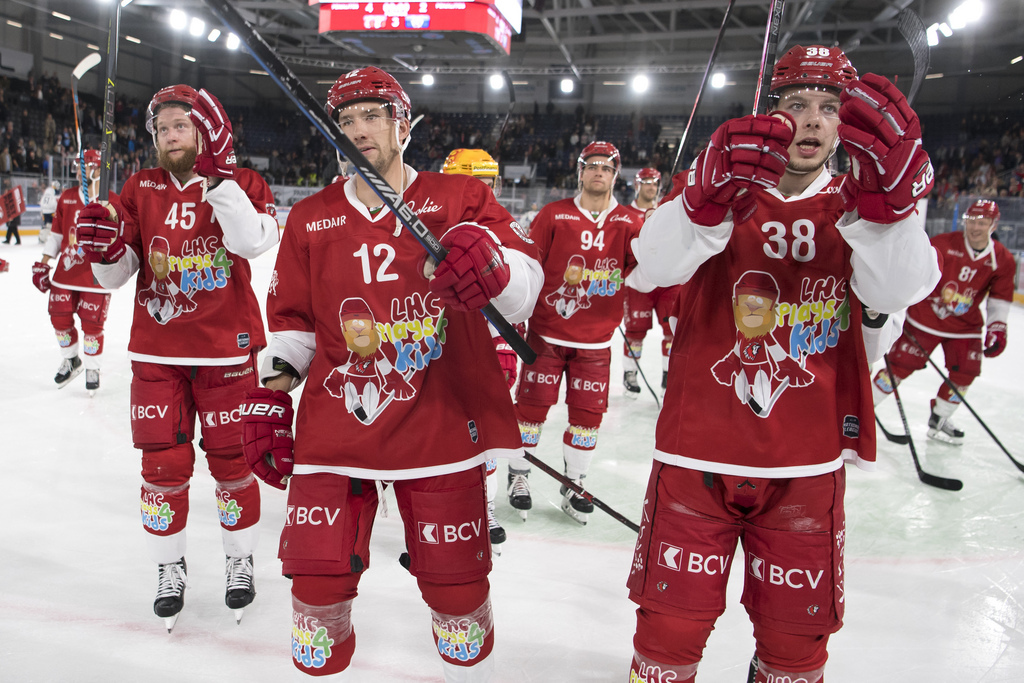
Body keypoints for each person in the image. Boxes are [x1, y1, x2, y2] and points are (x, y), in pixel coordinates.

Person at [625, 45, 940, 683]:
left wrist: (890, 216)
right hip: (697, 453)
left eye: (831, 107)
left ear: (847, 125)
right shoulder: (723, 188)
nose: (814, 121)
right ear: (772, 113)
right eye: (797, 104)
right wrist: (700, 203)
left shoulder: (863, 200)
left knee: (795, 648)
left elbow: (898, 294)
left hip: (807, 459)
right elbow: (649, 269)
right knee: (667, 636)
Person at [242, 67, 541, 680]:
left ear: (404, 124)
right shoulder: (310, 217)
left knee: (461, 617)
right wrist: (269, 397)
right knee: (315, 625)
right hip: (336, 427)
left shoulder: (459, 200)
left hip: (438, 424)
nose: (358, 131)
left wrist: (497, 269)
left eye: (371, 117)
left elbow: (525, 290)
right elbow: (294, 327)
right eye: (345, 122)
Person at [75, 84, 279, 631]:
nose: (169, 135)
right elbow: (119, 275)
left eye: (180, 125)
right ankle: (169, 567)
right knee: (161, 467)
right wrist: (105, 251)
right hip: (157, 352)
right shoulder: (139, 188)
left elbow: (253, 242)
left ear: (204, 130)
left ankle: (239, 560)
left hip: (225, 351)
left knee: (234, 464)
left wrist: (221, 179)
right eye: (162, 128)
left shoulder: (243, 182)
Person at [508, 141, 645, 525]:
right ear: (580, 171)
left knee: (587, 419)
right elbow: (531, 268)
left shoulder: (632, 222)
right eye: (592, 165)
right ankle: (519, 476)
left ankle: (574, 482)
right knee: (530, 413)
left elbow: (640, 271)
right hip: (547, 335)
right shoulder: (553, 215)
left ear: (616, 174)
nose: (599, 171)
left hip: (596, 342)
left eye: (606, 166)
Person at [872, 199, 1014, 444]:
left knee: (965, 373)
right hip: (925, 320)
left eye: (982, 222)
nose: (976, 227)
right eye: (972, 221)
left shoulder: (1002, 259)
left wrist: (997, 327)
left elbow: (1000, 298)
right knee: (898, 367)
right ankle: (865, 408)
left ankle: (940, 417)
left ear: (993, 224)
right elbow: (914, 272)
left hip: (965, 328)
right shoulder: (943, 244)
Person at [441, 147, 520, 555]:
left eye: (487, 183)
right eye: (472, 183)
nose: (481, 193)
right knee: (436, 439)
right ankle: (431, 516)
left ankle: (483, 508)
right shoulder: (426, 229)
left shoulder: (506, 229)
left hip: (485, 349)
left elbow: (519, 297)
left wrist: (505, 342)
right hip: (432, 353)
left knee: (483, 435)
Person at [31, 150, 116, 391]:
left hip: (95, 274)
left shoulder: (110, 200)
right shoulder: (67, 196)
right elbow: (57, 233)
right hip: (65, 273)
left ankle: (92, 366)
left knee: (92, 325)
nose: (83, 171)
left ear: (100, 169)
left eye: (88, 166)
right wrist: (44, 262)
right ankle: (70, 359)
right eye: (81, 166)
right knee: (58, 318)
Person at [622, 167, 679, 398]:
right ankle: (630, 373)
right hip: (638, 281)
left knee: (671, 330)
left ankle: (668, 374)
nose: (651, 187)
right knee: (635, 331)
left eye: (654, 183)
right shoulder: (624, 214)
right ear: (637, 185)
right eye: (646, 182)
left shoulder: (668, 210)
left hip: (669, 281)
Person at [39, 180, 59, 244]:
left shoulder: (46, 192)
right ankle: (42, 238)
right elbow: (54, 203)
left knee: (46, 226)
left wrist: (42, 210)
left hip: (44, 211)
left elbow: (41, 202)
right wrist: (56, 209)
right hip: (51, 212)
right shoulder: (53, 192)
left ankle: (42, 237)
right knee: (49, 226)